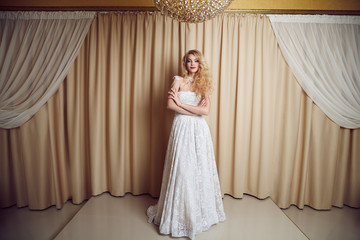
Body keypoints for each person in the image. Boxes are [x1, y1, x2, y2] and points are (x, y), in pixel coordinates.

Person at [147, 49, 225, 240]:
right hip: (181, 129)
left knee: (198, 169)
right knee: (182, 169)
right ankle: (179, 215)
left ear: (200, 64)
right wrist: (193, 110)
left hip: (199, 132)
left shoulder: (203, 84)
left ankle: (198, 214)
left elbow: (205, 111)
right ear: (185, 63)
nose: (192, 64)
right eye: (189, 61)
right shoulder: (178, 81)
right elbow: (169, 106)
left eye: (196, 61)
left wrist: (182, 105)